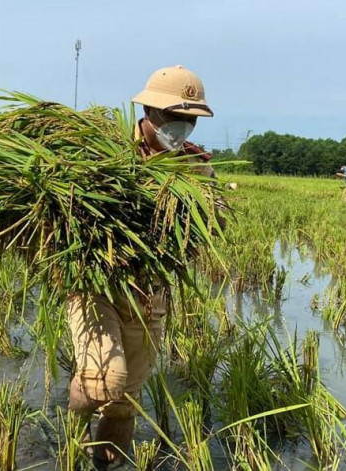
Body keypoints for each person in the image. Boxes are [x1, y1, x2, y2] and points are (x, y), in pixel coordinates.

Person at [67, 65, 215, 468]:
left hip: (151, 296)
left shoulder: (195, 166)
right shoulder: (107, 152)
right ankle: (72, 421)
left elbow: (203, 229)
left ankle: (104, 463)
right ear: (148, 111)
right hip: (98, 286)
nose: (182, 127)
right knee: (104, 382)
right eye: (174, 117)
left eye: (189, 120)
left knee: (123, 401)